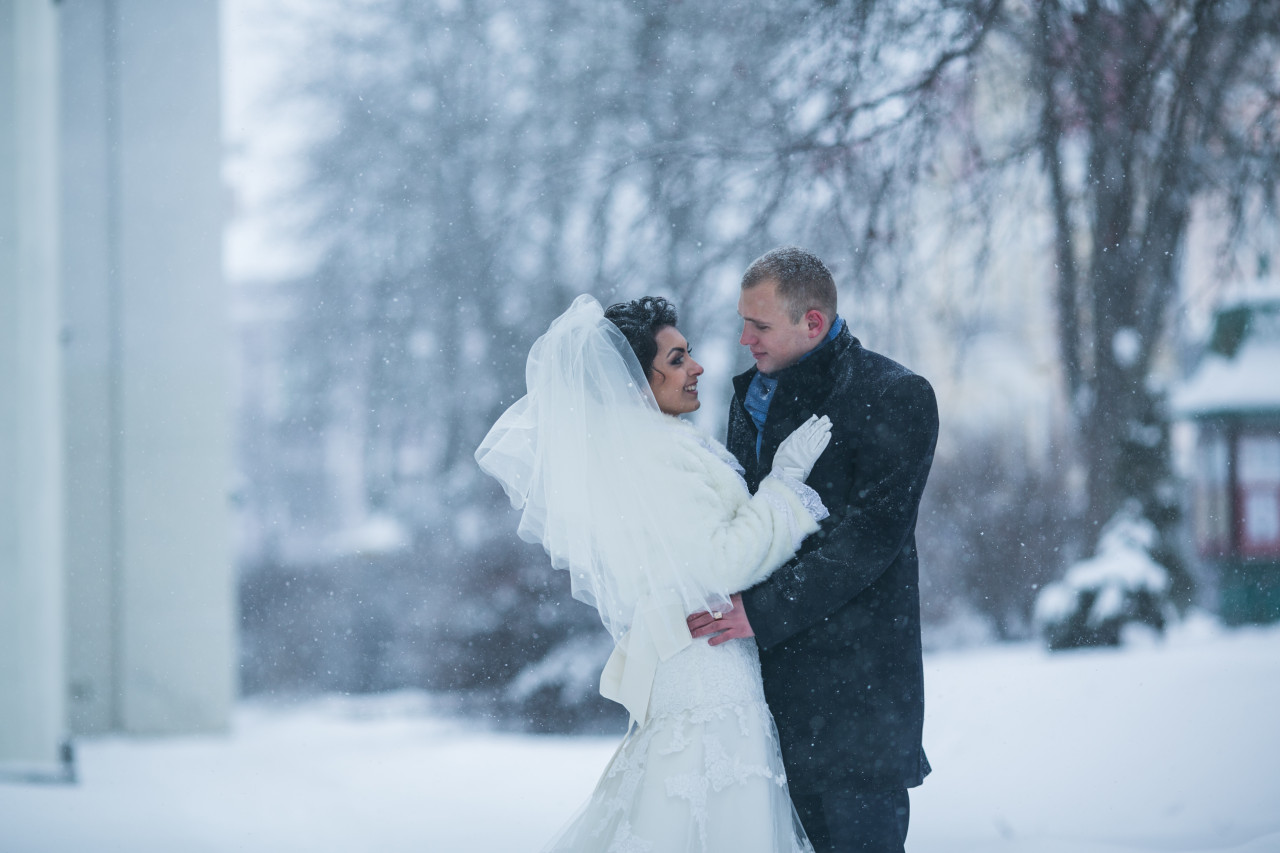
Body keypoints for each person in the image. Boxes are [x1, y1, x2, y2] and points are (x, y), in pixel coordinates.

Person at [476, 294, 833, 853]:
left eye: (689, 354)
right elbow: (721, 562)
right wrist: (785, 487)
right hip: (707, 679)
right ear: (638, 385)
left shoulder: (646, 451)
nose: (697, 368)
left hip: (701, 668)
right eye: (676, 359)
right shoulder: (655, 458)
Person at [688, 247, 939, 853]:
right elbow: (748, 520)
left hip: (860, 704)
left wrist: (762, 610)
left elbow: (870, 540)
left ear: (814, 323)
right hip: (768, 707)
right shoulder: (747, 396)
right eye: (743, 322)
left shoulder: (896, 394)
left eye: (761, 325)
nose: (745, 338)